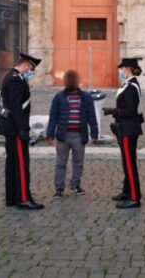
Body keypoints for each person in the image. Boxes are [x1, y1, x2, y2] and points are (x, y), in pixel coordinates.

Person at [0, 53, 44, 210]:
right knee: (21, 164)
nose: (30, 72)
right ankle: (23, 198)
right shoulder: (16, 80)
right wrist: (23, 129)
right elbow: (17, 108)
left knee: (12, 164)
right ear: (25, 65)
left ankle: (12, 197)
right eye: (30, 68)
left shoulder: (11, 76)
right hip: (15, 129)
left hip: (10, 127)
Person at [46, 70, 98, 198]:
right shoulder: (58, 97)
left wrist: (94, 133)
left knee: (78, 163)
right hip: (63, 136)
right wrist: (50, 135)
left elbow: (92, 117)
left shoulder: (86, 97)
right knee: (60, 163)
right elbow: (53, 117)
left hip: (80, 136)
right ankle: (59, 188)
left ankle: (75, 185)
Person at [104, 58, 143, 209]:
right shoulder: (129, 85)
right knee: (126, 163)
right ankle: (127, 192)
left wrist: (112, 111)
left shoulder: (132, 87)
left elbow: (131, 111)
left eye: (122, 69)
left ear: (127, 69)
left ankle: (134, 197)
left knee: (129, 164)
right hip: (125, 127)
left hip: (129, 129)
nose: (120, 71)